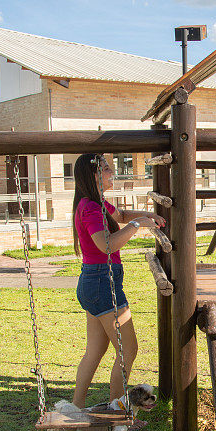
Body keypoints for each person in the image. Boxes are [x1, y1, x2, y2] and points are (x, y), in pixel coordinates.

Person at [71, 153, 165, 412]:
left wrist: (148, 215)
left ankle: (76, 408)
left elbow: (121, 214)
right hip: (103, 283)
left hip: (94, 281)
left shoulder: (94, 203)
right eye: (107, 169)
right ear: (94, 175)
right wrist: (137, 225)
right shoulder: (90, 207)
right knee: (128, 351)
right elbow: (107, 245)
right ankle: (118, 412)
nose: (112, 173)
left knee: (95, 351)